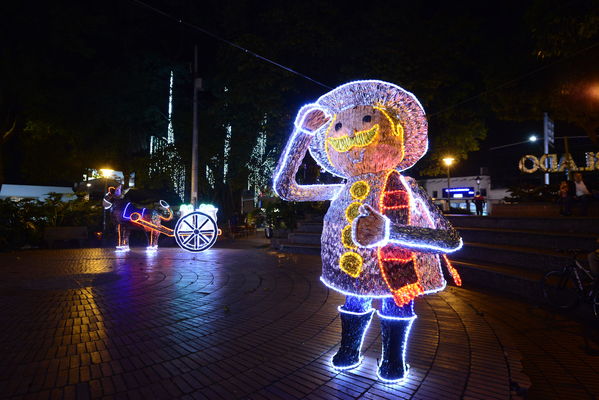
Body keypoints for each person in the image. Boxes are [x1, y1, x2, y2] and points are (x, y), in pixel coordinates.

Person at [273, 80, 462, 383]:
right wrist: (302, 134)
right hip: (354, 271)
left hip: (398, 269)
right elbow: (286, 189)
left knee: (395, 303)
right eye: (338, 127)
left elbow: (450, 240)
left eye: (365, 120)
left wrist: (391, 232)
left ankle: (393, 358)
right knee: (354, 300)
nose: (350, 132)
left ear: (397, 134)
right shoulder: (341, 188)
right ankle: (349, 349)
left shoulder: (410, 189)